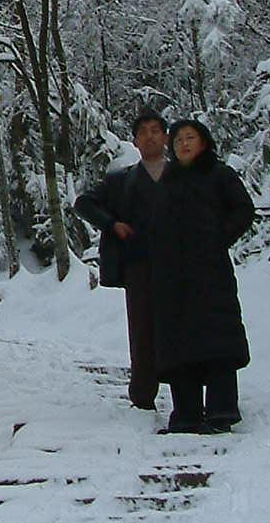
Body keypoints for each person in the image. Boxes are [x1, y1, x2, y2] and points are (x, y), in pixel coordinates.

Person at [150, 116, 256, 432]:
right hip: (173, 278)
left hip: (210, 273)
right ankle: (187, 414)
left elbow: (243, 210)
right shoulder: (167, 180)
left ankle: (222, 410)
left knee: (217, 338)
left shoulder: (219, 174)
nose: (183, 143)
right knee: (179, 344)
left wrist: (218, 237)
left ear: (204, 142)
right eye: (178, 139)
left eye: (190, 137)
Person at [75, 108, 170, 410]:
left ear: (166, 137)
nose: (150, 136)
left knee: (181, 327)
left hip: (179, 265)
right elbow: (84, 203)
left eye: (156, 130)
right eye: (143, 132)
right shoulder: (122, 181)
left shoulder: (182, 176)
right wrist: (112, 224)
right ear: (135, 141)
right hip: (139, 266)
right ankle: (143, 397)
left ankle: (188, 395)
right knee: (142, 331)